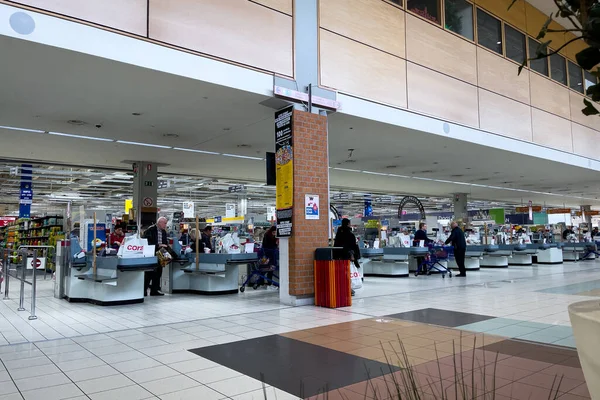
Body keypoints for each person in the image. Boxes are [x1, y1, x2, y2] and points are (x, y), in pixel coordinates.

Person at [334, 219, 361, 296]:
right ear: (348, 224)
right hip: (348, 257)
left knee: (342, 273)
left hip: (339, 257)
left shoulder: (339, 233)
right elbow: (353, 246)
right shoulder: (350, 234)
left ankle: (342, 287)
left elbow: (336, 245)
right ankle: (348, 288)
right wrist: (354, 256)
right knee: (348, 273)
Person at [143, 217, 169, 296]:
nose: (165, 225)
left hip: (161, 253)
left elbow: (165, 242)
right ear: (159, 223)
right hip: (152, 253)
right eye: (164, 223)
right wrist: (158, 245)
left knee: (159, 272)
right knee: (149, 272)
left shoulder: (164, 232)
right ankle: (144, 290)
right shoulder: (150, 230)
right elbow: (146, 242)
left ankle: (154, 290)